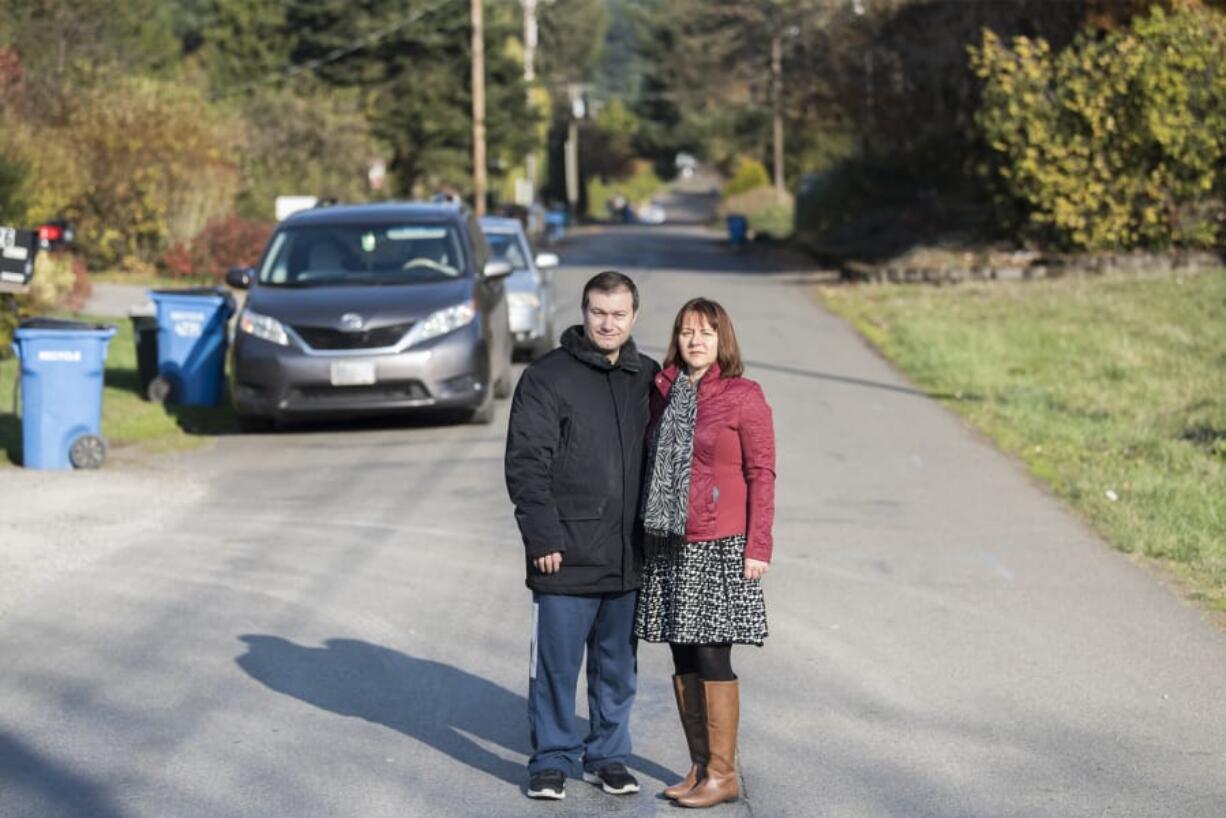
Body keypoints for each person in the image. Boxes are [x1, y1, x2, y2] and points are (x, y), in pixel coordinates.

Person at [505, 271, 660, 801]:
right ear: (584, 311)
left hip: (628, 555)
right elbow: (527, 463)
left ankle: (608, 757)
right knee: (555, 669)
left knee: (617, 671)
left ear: (634, 317)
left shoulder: (649, 376)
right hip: (563, 554)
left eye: (618, 314)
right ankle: (550, 760)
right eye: (598, 312)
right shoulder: (547, 377)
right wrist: (542, 536)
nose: (608, 323)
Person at [634, 297, 776, 808]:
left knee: (713, 653)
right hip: (669, 542)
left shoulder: (743, 396)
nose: (696, 340)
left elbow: (762, 473)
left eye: (706, 333)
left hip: (719, 544)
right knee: (681, 652)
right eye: (688, 331)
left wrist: (758, 545)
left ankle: (724, 774)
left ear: (723, 342)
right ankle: (699, 766)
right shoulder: (664, 392)